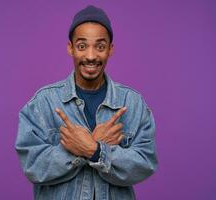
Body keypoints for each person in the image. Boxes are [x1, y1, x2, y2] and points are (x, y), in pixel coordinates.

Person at [15, 5, 158, 200]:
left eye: (100, 46)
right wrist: (82, 151)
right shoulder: (43, 103)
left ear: (110, 50)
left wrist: (95, 150)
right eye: (82, 46)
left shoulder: (133, 103)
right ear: (70, 48)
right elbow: (32, 165)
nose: (91, 56)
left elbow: (145, 163)